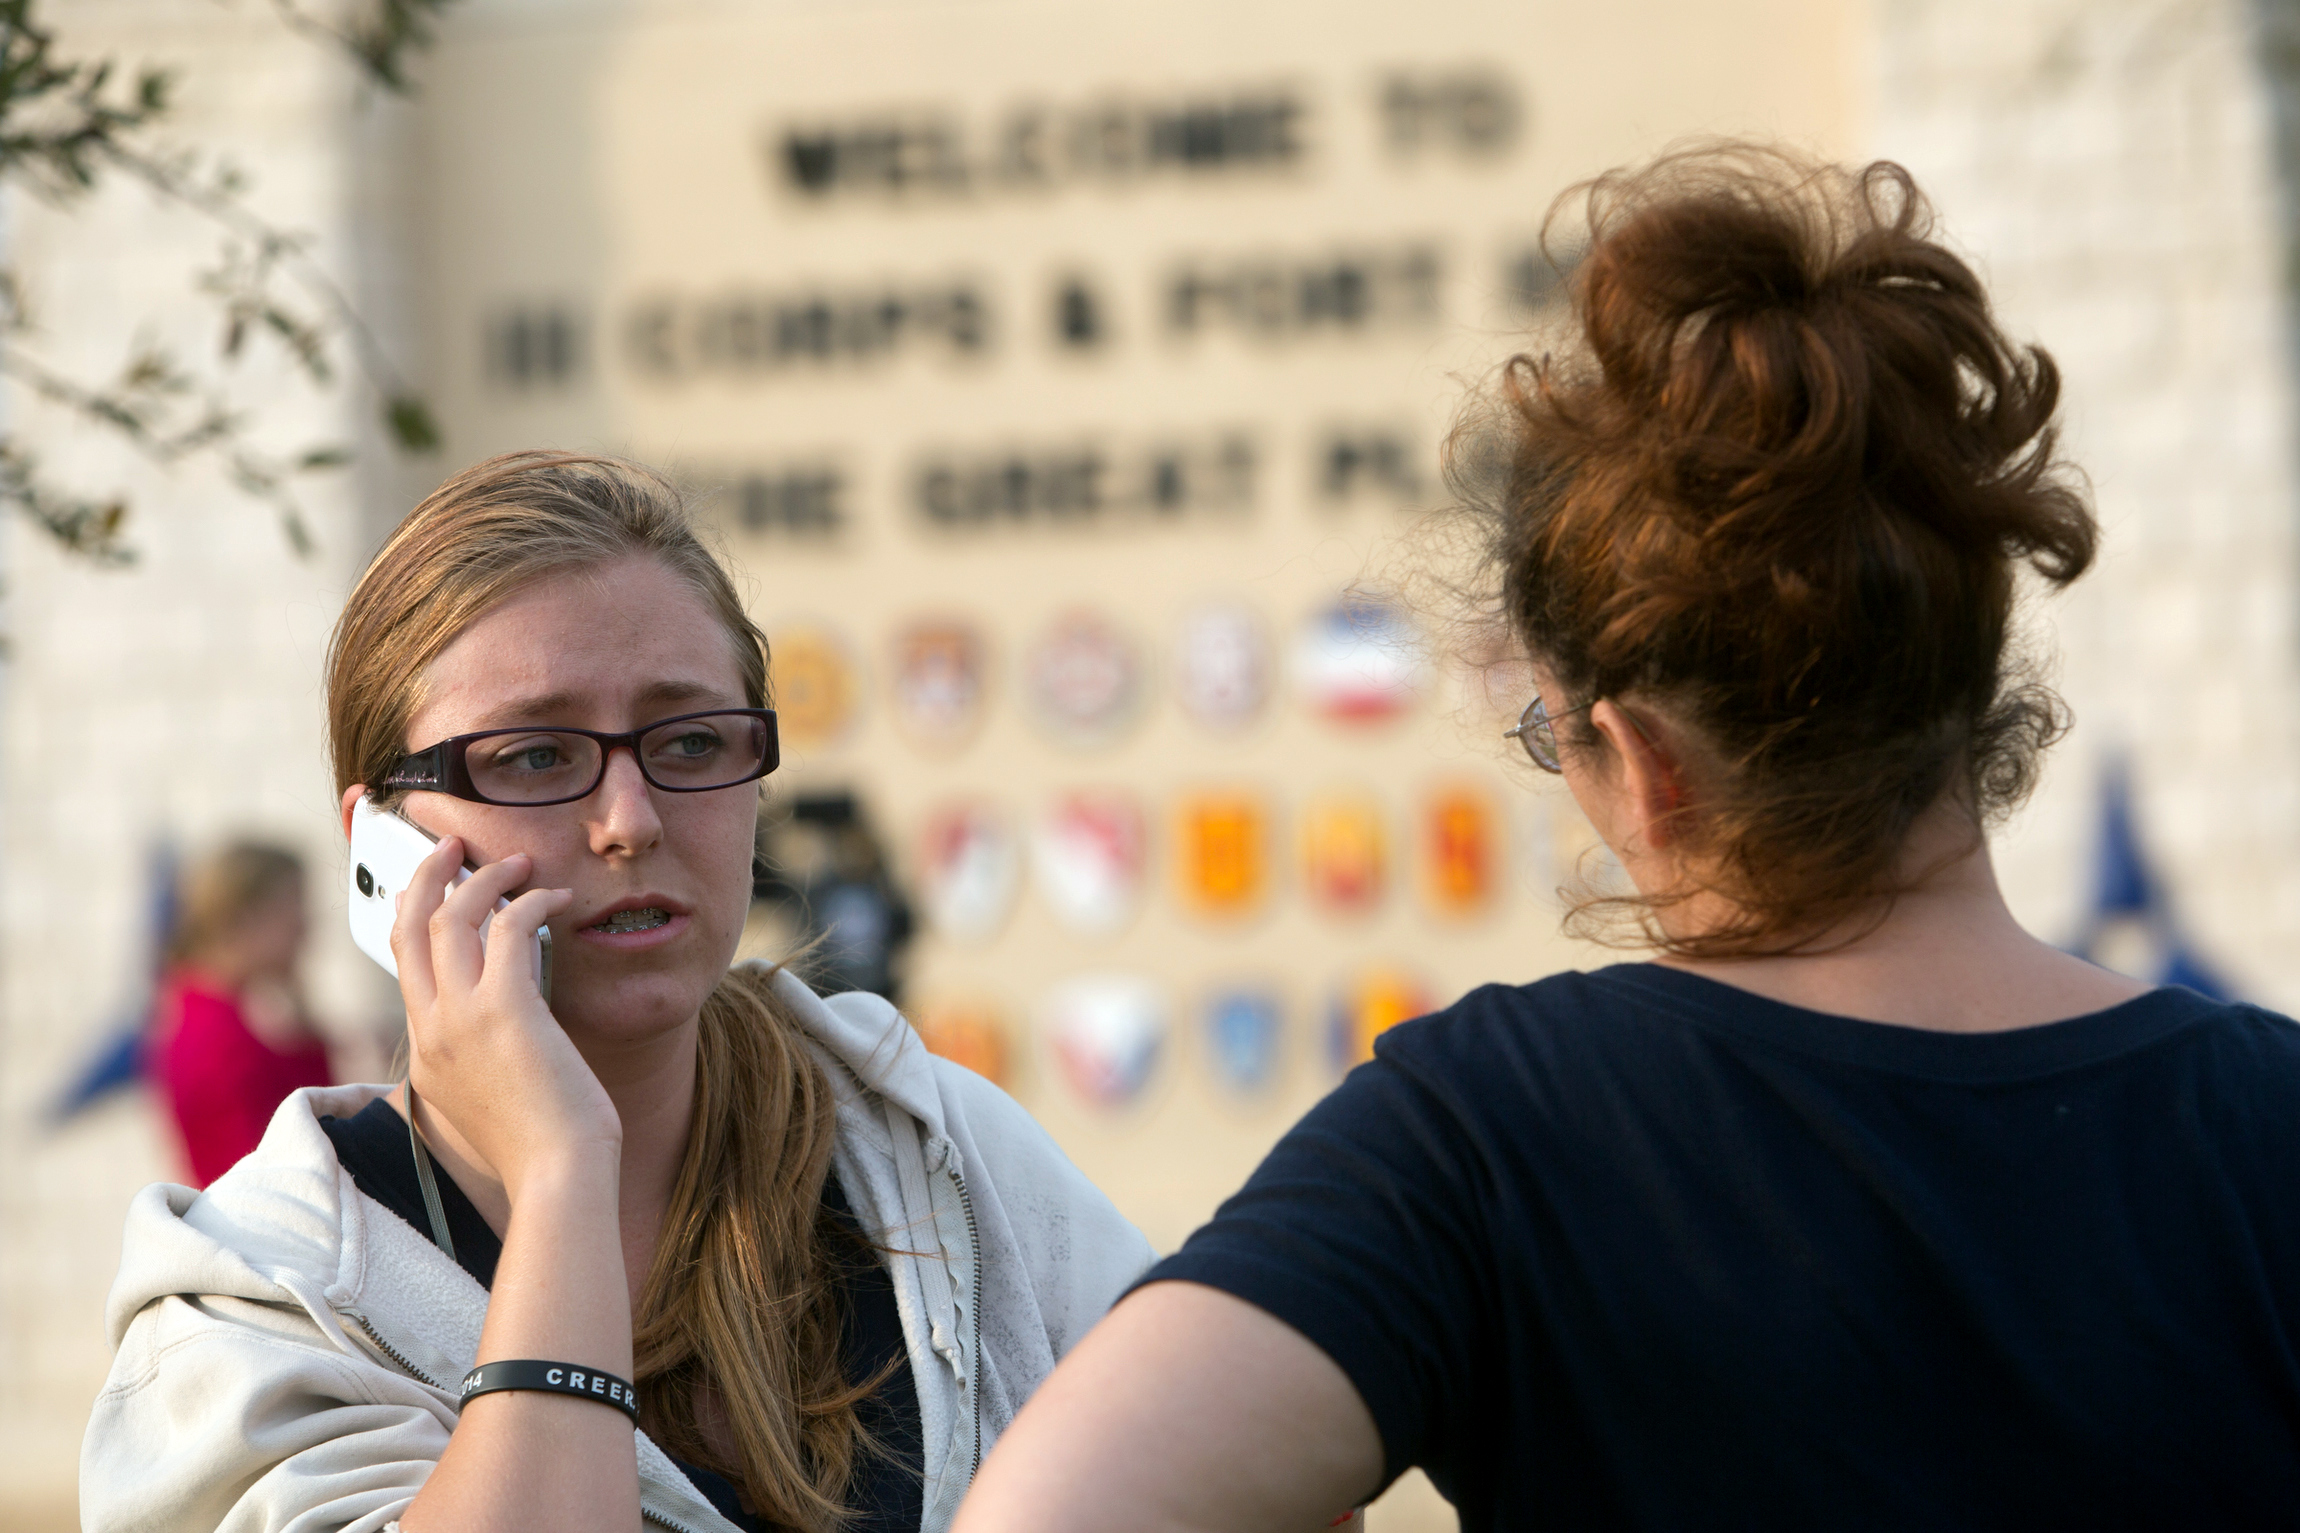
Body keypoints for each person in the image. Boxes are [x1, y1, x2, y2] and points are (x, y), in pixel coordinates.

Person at [954, 145, 2300, 1532]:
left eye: (1558, 743)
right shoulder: (2268, 1116)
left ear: (1645, 763)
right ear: (1968, 690)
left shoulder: (1494, 1128)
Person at [84, 451, 1153, 1533]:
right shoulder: (259, 1306)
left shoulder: (922, 1146)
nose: (630, 820)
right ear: (379, 845)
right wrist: (558, 1177)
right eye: (536, 757)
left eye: (689, 741)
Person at [149, 840, 333, 1187]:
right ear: (247, 917)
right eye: (293, 905)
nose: (305, 927)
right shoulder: (216, 1038)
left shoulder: (206, 1013)